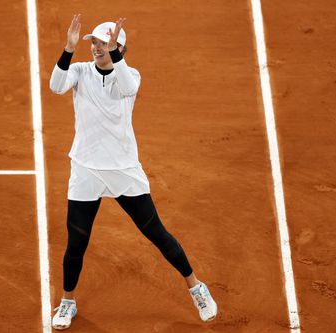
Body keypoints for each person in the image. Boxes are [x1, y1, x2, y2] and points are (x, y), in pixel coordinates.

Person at [49, 14, 217, 330]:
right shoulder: (81, 71)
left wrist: (114, 54)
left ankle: (196, 287)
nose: (96, 47)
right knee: (77, 243)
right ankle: (67, 302)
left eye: (104, 43)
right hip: (85, 169)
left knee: (156, 233)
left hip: (124, 170)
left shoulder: (131, 75)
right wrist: (69, 49)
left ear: (119, 49)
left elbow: (125, 85)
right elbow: (56, 86)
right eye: (95, 42)